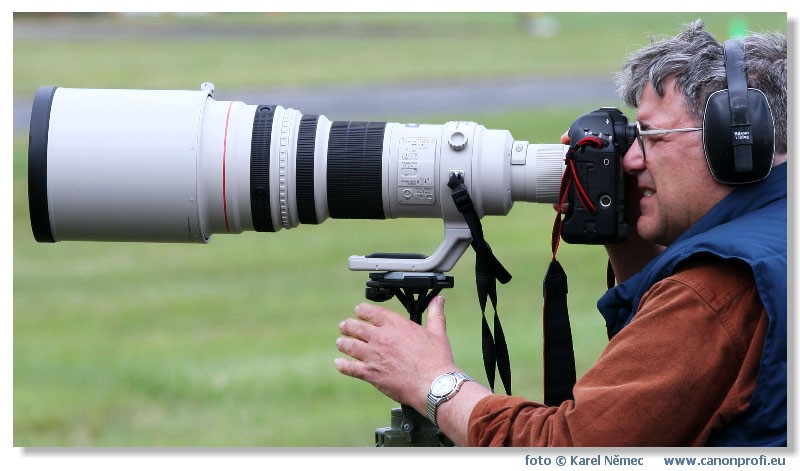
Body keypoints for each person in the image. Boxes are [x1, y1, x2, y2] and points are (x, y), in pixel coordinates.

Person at [334, 20, 787, 446]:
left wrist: (431, 381)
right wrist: (624, 236)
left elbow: (570, 449)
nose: (629, 160)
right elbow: (668, 407)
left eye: (649, 135)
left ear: (735, 139)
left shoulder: (718, 285)